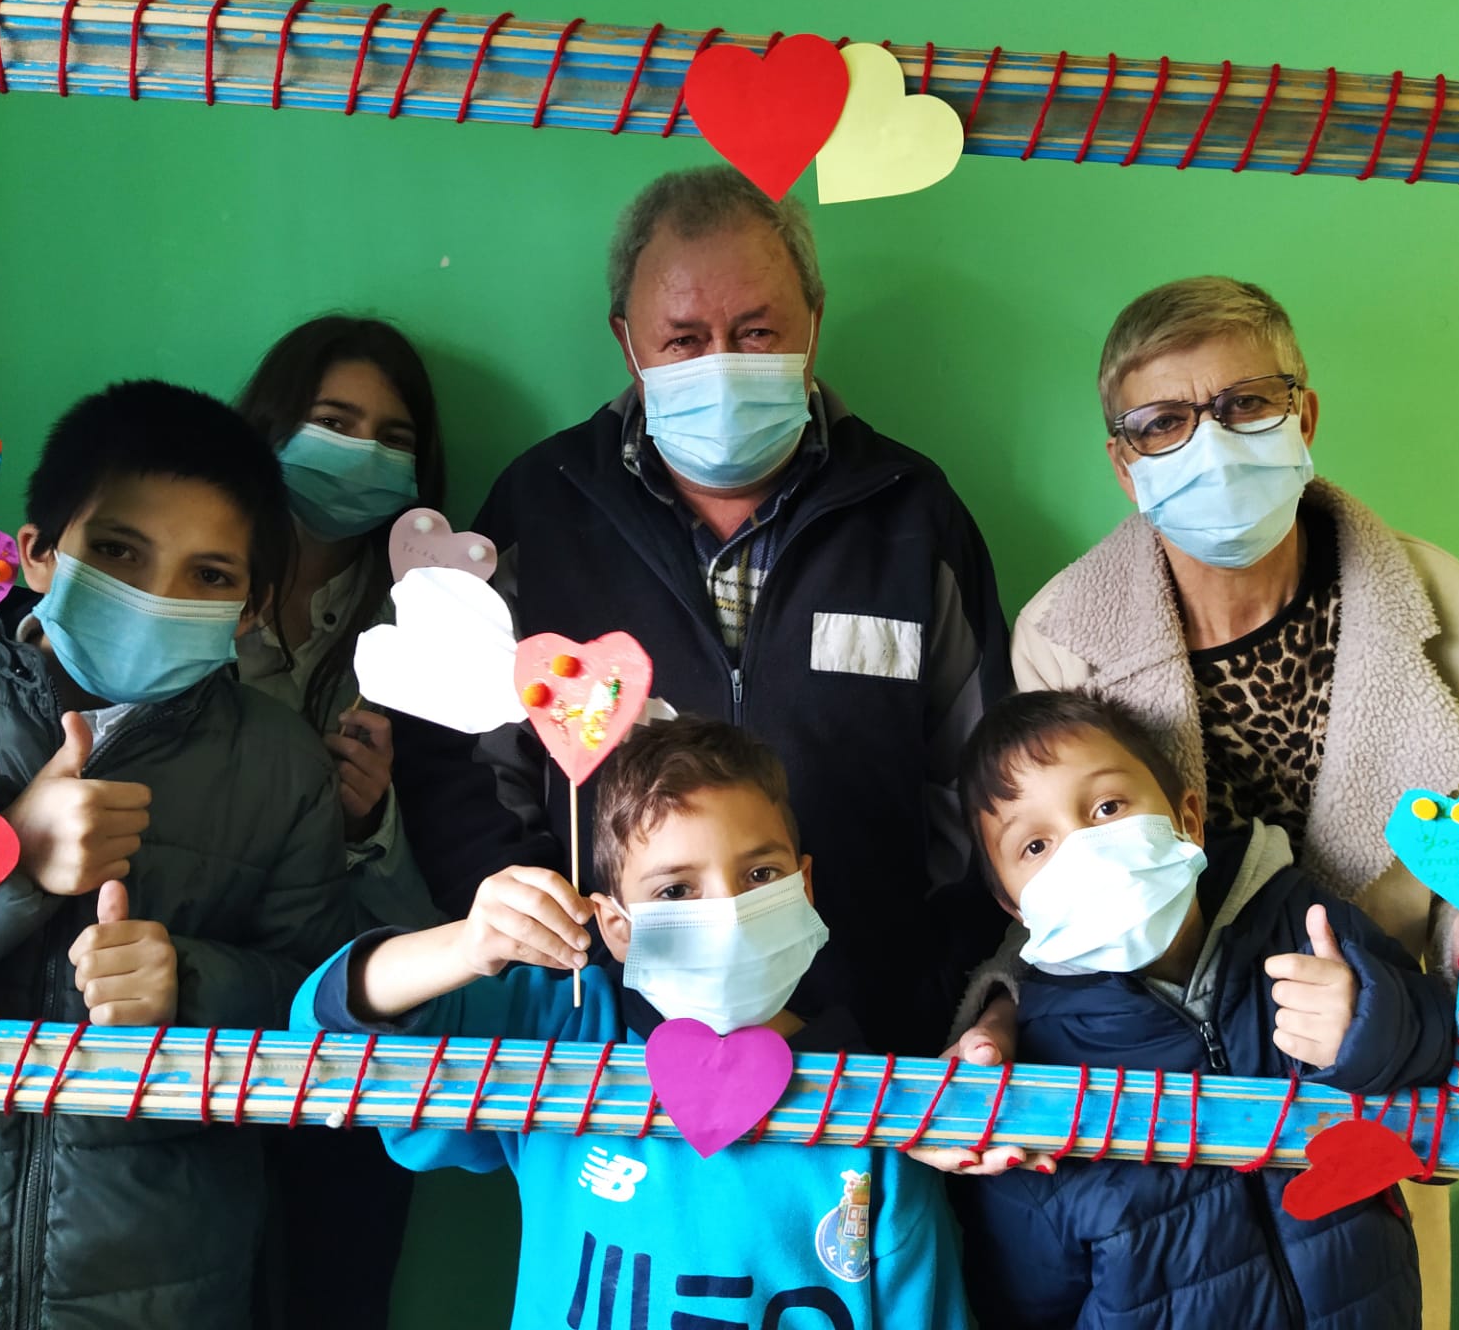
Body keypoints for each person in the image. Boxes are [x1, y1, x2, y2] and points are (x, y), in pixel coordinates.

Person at [946, 278, 1459, 1326]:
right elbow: (1046, 882)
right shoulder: (1063, 632)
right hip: (1161, 1157)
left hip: (1375, 1112)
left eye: (1245, 402)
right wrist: (996, 1022)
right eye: (1163, 422)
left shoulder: (1445, 602)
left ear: (1305, 414)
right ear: (1122, 462)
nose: (1209, 443)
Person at [394, 165, 1011, 1055]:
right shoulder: (541, 508)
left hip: (870, 1044)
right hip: (604, 1042)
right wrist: (554, 969)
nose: (722, 363)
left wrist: (926, 996)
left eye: (757, 331)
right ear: (627, 343)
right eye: (683, 339)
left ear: (814, 323)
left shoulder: (912, 513)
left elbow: (982, 775)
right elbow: (462, 768)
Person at [0, 381, 352, 1328]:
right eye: (117, 552)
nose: (155, 596)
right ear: (36, 550)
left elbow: (323, 1019)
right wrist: (4, 857)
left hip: (164, 1285)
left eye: (209, 575)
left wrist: (191, 986)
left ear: (252, 610)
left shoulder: (281, 764)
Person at [294, 717, 973, 1330]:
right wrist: (466, 946)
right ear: (617, 927)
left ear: (804, 888)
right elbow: (320, 1041)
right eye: (675, 890)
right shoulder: (561, 1039)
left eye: (760, 874)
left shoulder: (879, 1123)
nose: (727, 914)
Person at [954, 690, 1453, 1329]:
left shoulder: (1307, 926)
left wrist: (1366, 1028)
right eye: (1035, 846)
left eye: (1107, 807)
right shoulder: (1033, 1066)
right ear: (1015, 910)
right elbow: (1026, 1296)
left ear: (1187, 817)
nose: (1085, 851)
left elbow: (1446, 1059)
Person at [233, 315, 448, 1330]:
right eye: (334, 422)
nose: (363, 453)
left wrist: (370, 823)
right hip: (183, 1029)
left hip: (351, 1056)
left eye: (393, 438)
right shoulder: (192, 588)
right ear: (272, 426)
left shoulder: (437, 625)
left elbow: (433, 917)